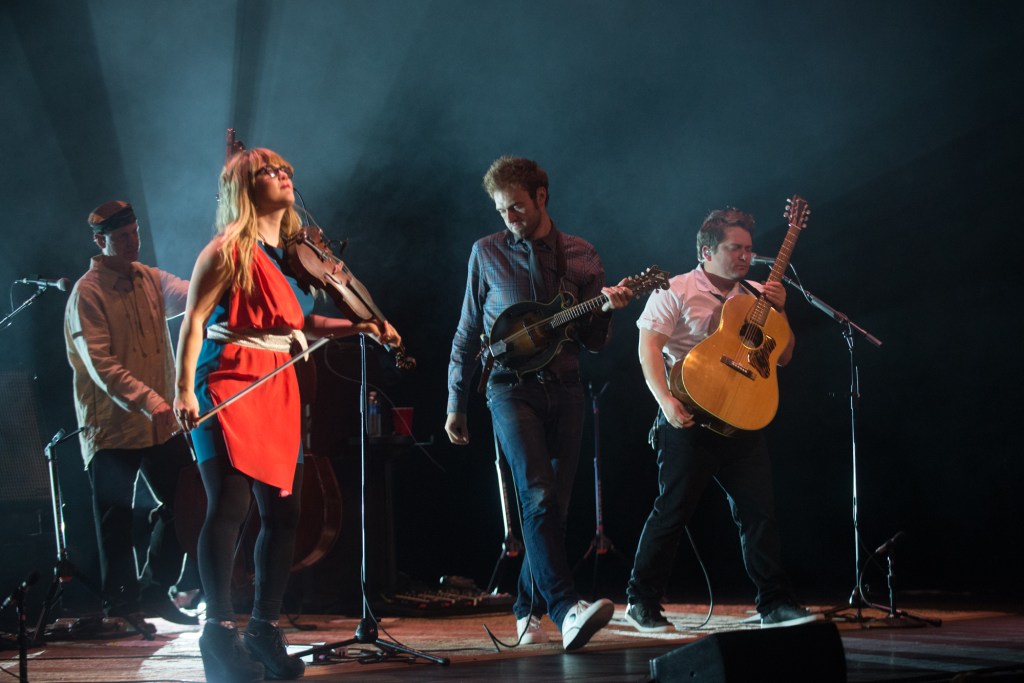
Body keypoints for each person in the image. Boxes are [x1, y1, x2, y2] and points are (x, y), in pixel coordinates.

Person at [174, 147, 399, 683]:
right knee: (228, 507)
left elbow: (302, 323)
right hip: (228, 377)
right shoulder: (226, 250)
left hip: (278, 385)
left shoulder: (289, 256)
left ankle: (263, 629)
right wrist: (183, 390)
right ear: (245, 188)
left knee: (285, 515)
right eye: (268, 172)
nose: (283, 176)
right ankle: (219, 635)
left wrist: (363, 325)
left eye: (286, 171)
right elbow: (194, 321)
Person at [445, 155, 632, 651]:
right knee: (538, 496)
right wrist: (455, 403)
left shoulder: (582, 255)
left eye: (516, 208)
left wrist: (608, 310)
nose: (508, 218)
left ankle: (525, 609)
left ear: (541, 197)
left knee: (556, 507)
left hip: (567, 388)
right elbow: (467, 330)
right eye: (501, 210)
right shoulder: (485, 253)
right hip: (508, 388)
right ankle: (566, 609)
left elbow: (594, 341)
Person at [623, 206, 815, 632]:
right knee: (672, 512)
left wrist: (781, 310)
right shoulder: (674, 289)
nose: (746, 256)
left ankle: (774, 602)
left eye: (749, 248)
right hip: (689, 418)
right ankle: (642, 601)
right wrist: (666, 403)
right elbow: (648, 348)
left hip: (743, 419)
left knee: (759, 514)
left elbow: (783, 355)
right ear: (707, 251)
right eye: (735, 248)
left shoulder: (755, 297)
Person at [63, 200, 198, 631]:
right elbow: (101, 366)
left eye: (135, 234)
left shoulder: (150, 279)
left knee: (186, 503)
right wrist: (151, 399)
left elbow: (193, 294)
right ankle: (121, 610)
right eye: (122, 238)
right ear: (100, 242)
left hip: (158, 423)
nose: (132, 242)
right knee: (116, 523)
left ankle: (155, 591)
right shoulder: (87, 292)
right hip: (112, 426)